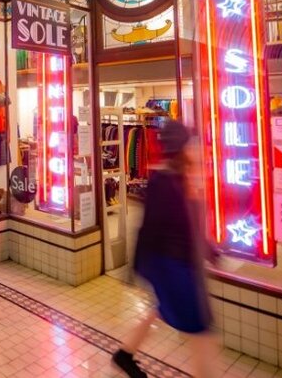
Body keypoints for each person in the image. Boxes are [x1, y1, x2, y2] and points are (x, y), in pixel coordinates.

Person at [112, 119, 218, 378]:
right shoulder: (166, 182)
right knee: (201, 332)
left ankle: (125, 355)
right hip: (172, 268)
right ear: (181, 149)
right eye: (190, 145)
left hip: (177, 266)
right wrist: (136, 267)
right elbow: (150, 227)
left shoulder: (180, 179)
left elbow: (189, 225)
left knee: (160, 312)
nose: (195, 150)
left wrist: (208, 250)